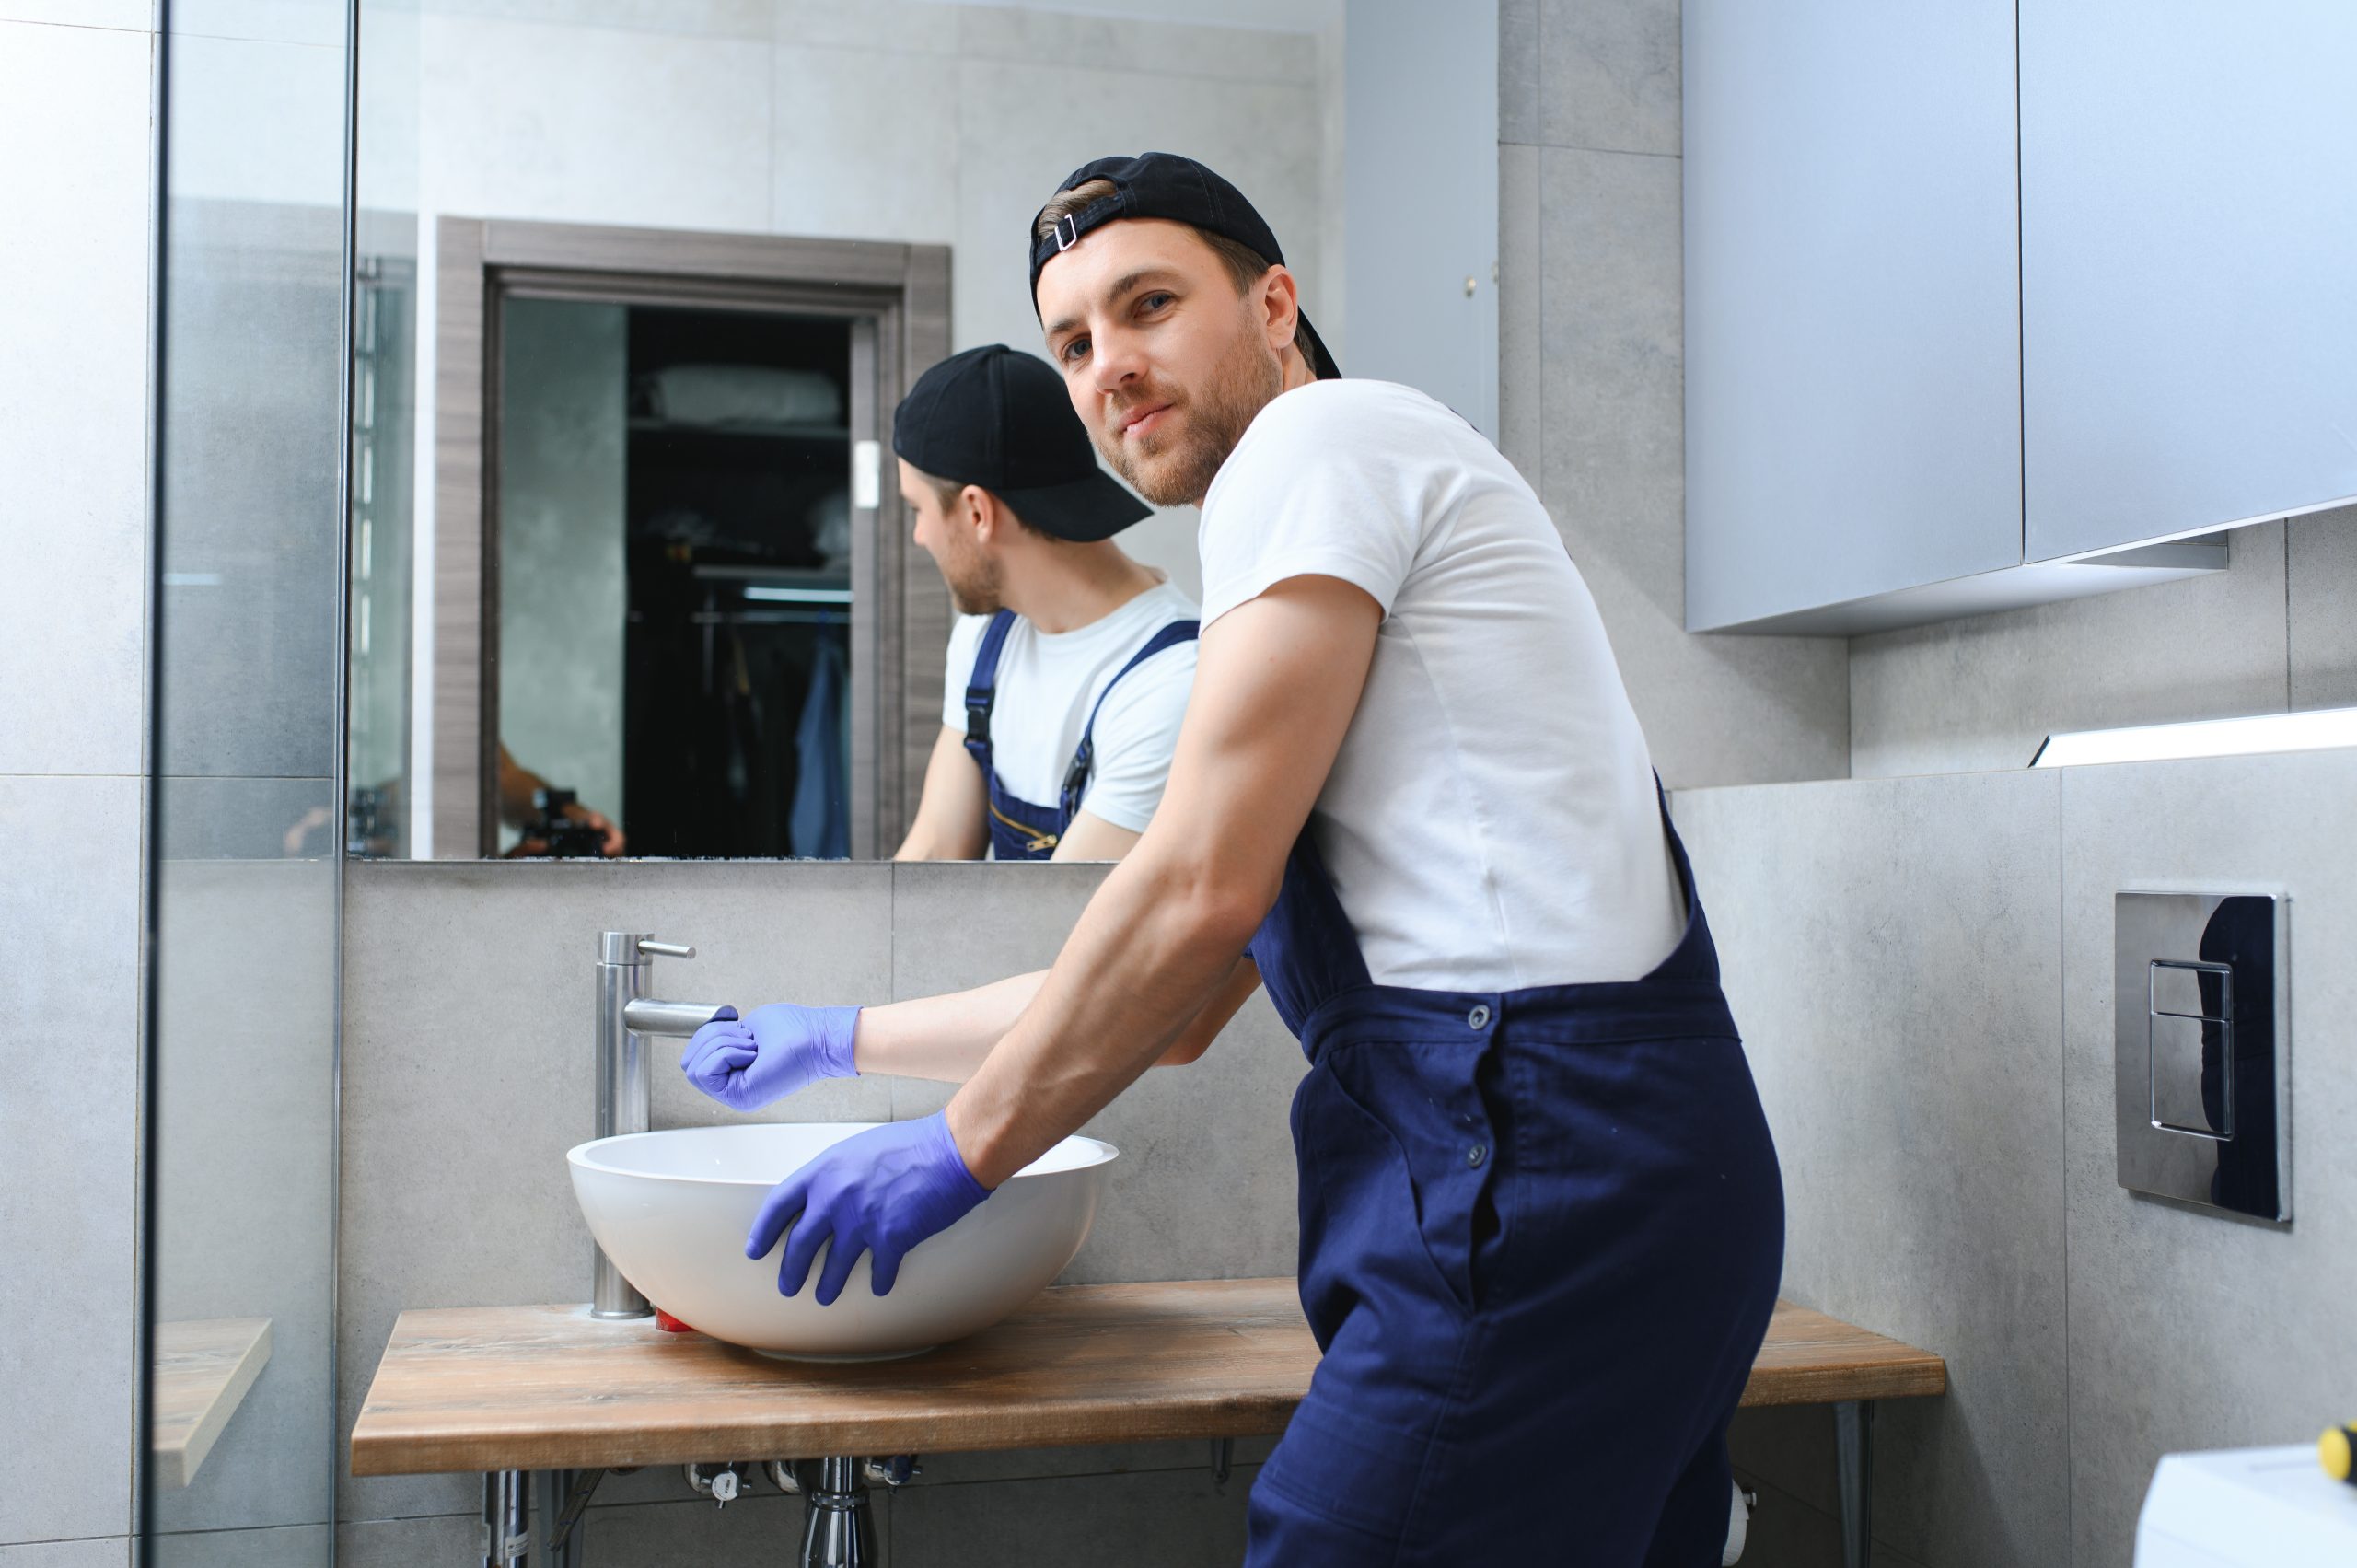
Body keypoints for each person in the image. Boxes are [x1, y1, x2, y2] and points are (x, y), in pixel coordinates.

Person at [682, 153, 1785, 1565]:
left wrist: (962, 1146)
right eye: (1073, 342)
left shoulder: (1316, 448)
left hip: (1532, 1164)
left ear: (1276, 302)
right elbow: (1187, 998)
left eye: (1148, 306)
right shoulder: (1333, 523)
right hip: (1620, 1172)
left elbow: (1193, 893)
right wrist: (844, 1037)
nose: (1109, 369)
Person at [889, 343, 1199, 864]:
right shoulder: (987, 637)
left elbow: (1061, 930)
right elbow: (933, 855)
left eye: (917, 509)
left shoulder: (1169, 687)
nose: (919, 536)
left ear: (977, 512)